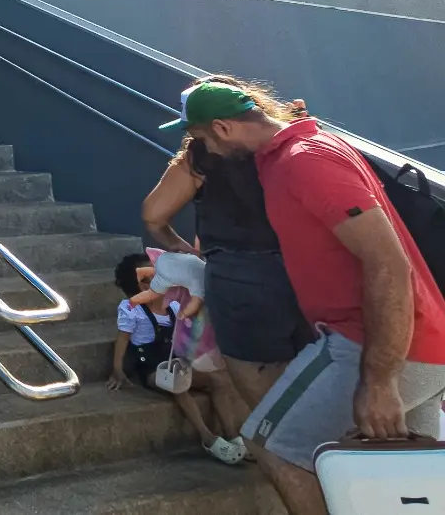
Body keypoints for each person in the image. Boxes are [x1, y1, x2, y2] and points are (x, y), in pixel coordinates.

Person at [166, 79, 445, 515]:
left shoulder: (304, 161)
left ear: (222, 128)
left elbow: (388, 264)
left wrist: (379, 380)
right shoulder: (297, 150)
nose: (206, 150)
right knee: (406, 483)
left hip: (375, 341)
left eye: (202, 138)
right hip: (420, 343)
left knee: (273, 443)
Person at [143, 76, 315, 412]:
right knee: (312, 382)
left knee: (265, 402)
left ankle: (278, 443)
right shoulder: (289, 137)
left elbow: (153, 215)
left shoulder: (200, 156)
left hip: (239, 278)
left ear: (216, 126)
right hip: (305, 271)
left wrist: (178, 246)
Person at [108, 252, 249, 465]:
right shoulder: (133, 309)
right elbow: (123, 339)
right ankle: (207, 436)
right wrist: (117, 370)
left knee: (218, 380)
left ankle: (232, 434)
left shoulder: (174, 306)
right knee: (177, 383)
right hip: (152, 368)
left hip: (178, 362)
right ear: (143, 284)